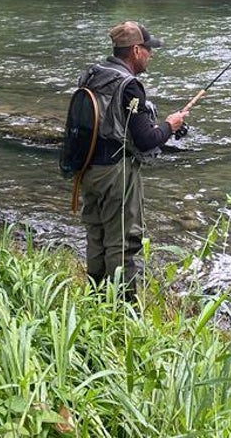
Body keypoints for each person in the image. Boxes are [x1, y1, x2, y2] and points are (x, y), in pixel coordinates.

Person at [75, 20, 188, 301]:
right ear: (136, 50)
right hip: (116, 171)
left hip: (87, 166)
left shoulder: (94, 74)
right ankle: (123, 309)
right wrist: (170, 125)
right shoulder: (130, 87)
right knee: (124, 241)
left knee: (97, 233)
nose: (151, 55)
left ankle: (96, 297)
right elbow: (146, 139)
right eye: (149, 49)